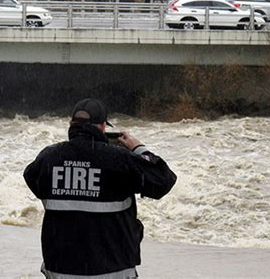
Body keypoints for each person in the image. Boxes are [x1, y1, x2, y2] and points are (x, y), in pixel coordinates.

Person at [23, 98, 177, 279]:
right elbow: (163, 180)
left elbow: (32, 179)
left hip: (60, 271)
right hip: (112, 271)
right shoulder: (119, 159)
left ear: (71, 124)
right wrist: (138, 148)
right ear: (103, 127)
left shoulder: (48, 158)